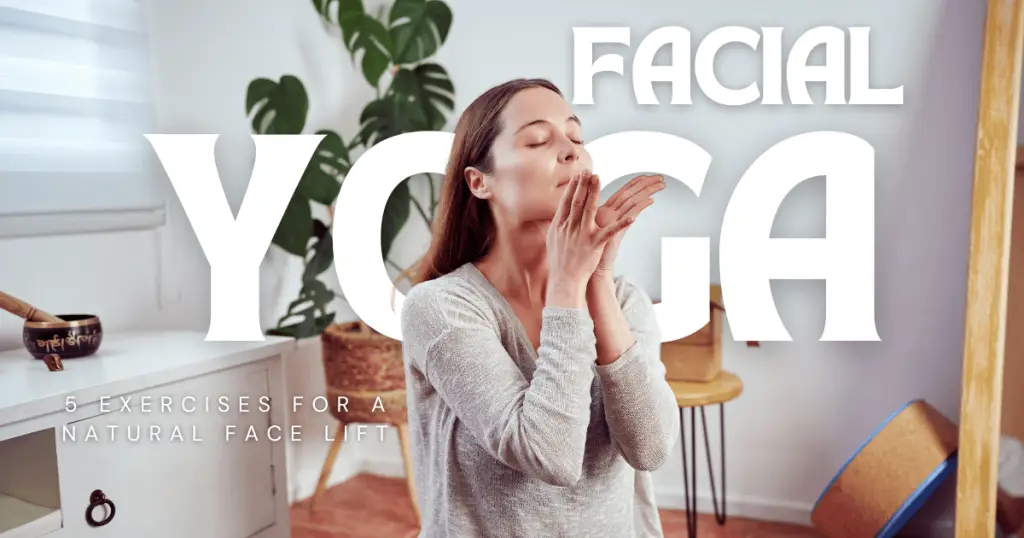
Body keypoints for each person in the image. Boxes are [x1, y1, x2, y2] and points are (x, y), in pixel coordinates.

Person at [399, 77, 679, 538]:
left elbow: (649, 449)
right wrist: (568, 286)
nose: (571, 151)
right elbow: (551, 457)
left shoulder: (625, 300)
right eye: (537, 140)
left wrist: (597, 280)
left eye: (576, 137)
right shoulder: (441, 309)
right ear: (479, 181)